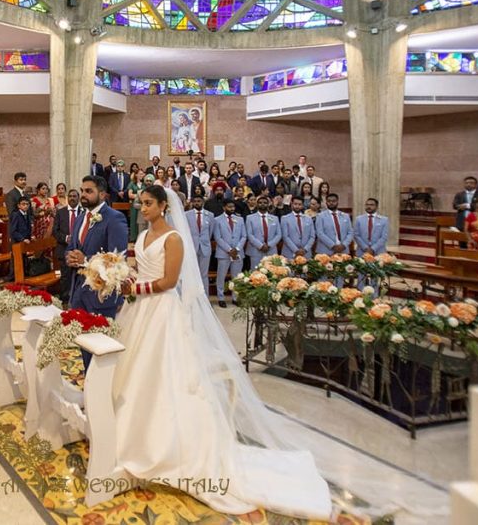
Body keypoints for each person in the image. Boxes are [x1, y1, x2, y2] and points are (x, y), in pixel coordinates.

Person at [110, 186, 333, 519]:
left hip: (161, 311)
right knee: (133, 369)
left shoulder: (173, 239)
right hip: (140, 311)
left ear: (162, 207)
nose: (142, 209)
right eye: (141, 203)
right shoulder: (141, 237)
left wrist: (135, 287)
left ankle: (164, 442)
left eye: (148, 204)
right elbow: (139, 269)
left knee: (163, 371)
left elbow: (169, 282)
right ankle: (128, 430)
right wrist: (120, 276)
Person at [65, 176, 129, 370]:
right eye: (82, 190)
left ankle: (101, 389)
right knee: (84, 341)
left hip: (101, 293)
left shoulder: (114, 218)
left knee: (101, 345)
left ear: (102, 194)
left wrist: (85, 260)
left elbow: (116, 259)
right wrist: (70, 257)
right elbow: (73, 246)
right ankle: (89, 381)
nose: (83, 195)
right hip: (79, 288)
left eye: (89, 191)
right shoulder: (81, 217)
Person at [213, 198, 246, 307]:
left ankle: (235, 297)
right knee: (221, 276)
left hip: (237, 253)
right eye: (229, 207)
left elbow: (244, 236)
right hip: (224, 253)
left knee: (236, 277)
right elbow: (218, 237)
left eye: (233, 207)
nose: (232, 209)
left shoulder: (240, 219)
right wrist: (229, 249)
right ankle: (221, 297)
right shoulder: (217, 220)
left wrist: (237, 249)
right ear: (224, 207)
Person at [53, 190, 82, 304]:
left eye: (74, 196)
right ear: (67, 198)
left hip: (79, 250)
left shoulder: (83, 212)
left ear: (78, 198)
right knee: (65, 277)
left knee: (79, 276)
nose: (72, 198)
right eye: (70, 196)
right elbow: (55, 231)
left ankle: (77, 299)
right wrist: (65, 238)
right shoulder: (61, 212)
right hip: (64, 249)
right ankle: (64, 301)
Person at [187, 193, 214, 294]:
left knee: (204, 274)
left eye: (199, 201)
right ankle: (193, 296)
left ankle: (205, 297)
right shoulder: (187, 214)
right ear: (192, 202)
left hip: (205, 247)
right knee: (192, 273)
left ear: (203, 202)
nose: (197, 203)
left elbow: (210, 231)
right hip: (192, 247)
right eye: (195, 201)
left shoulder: (210, 215)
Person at [245, 195, 281, 266]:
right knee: (255, 273)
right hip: (255, 250)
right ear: (257, 204)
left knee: (272, 273)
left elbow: (279, 234)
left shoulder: (275, 218)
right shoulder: (250, 218)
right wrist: (260, 246)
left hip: (271, 250)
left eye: (265, 202)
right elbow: (249, 234)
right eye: (260, 202)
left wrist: (269, 245)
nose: (262, 204)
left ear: (268, 204)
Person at [127, 169, 148, 242]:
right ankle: (133, 238)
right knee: (134, 221)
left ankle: (140, 238)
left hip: (142, 205)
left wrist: (138, 195)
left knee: (141, 222)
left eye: (142, 174)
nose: (141, 175)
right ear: (136, 175)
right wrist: (139, 195)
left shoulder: (144, 184)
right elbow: (130, 195)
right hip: (134, 205)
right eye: (140, 174)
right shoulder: (132, 183)